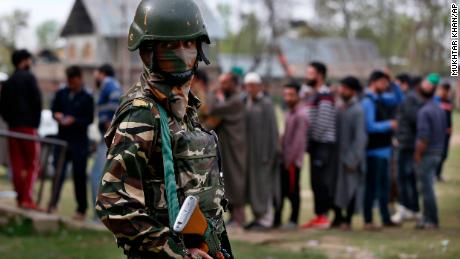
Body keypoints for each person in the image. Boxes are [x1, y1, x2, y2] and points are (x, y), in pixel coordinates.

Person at [95, 1, 232, 258]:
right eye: (169, 45)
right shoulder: (143, 114)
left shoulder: (184, 108)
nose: (181, 53)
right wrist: (172, 249)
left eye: (188, 44)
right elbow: (113, 202)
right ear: (148, 51)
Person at [50, 66, 94, 221]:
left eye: (74, 82)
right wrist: (57, 116)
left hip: (79, 142)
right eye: (69, 82)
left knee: (79, 176)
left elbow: (89, 119)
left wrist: (74, 120)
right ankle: (52, 204)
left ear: (80, 79)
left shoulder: (87, 97)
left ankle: (81, 209)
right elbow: (53, 109)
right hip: (62, 139)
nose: (71, 85)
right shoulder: (61, 93)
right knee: (58, 173)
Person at [0, 49, 42, 210]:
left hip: (13, 127)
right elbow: (37, 101)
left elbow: (2, 105)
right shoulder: (29, 78)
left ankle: (19, 197)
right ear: (24, 61)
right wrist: (35, 124)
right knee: (32, 163)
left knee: (16, 163)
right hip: (28, 128)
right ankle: (27, 198)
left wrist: (10, 120)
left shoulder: (9, 81)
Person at [361, 71, 403, 230]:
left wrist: (392, 81)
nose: (386, 87)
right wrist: (388, 124)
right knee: (372, 186)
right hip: (373, 151)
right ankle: (368, 220)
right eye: (383, 83)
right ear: (374, 82)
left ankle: (386, 218)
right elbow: (369, 126)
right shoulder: (368, 101)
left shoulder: (381, 99)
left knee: (384, 186)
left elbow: (399, 99)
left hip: (385, 149)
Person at [206, 72, 247, 228]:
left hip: (236, 147)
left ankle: (239, 218)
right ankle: (233, 217)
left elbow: (212, 109)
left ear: (233, 84)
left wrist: (215, 93)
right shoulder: (231, 100)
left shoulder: (236, 101)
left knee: (236, 180)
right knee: (227, 181)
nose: (221, 86)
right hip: (228, 146)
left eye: (224, 83)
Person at [302, 62, 337, 229]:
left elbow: (322, 123)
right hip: (314, 143)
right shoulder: (312, 94)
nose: (307, 76)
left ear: (320, 75)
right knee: (315, 181)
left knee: (321, 180)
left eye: (310, 73)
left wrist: (312, 140)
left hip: (322, 143)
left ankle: (324, 216)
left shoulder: (325, 94)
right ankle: (319, 215)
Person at [243, 72, 279, 231]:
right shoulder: (247, 102)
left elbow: (273, 130)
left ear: (259, 86)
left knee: (264, 186)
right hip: (251, 154)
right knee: (254, 186)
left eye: (252, 86)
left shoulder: (266, 103)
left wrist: (270, 154)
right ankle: (257, 217)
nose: (249, 89)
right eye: (247, 86)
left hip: (264, 154)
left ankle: (266, 220)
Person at [333, 76, 367, 231]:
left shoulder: (358, 110)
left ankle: (348, 220)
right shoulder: (339, 107)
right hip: (337, 157)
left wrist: (352, 160)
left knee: (351, 188)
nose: (341, 91)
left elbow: (360, 138)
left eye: (345, 88)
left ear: (352, 91)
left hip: (351, 158)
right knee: (338, 189)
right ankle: (338, 218)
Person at [414, 73, 447, 229]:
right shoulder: (439, 109)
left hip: (428, 153)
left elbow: (423, 137)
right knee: (428, 186)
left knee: (426, 188)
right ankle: (426, 218)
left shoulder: (424, 111)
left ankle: (431, 220)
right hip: (438, 151)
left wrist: (418, 154)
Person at [274, 81, 308, 229]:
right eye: (286, 94)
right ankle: (278, 219)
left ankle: (293, 220)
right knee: (281, 191)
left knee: (293, 191)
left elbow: (298, 143)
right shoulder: (289, 113)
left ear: (298, 96)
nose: (288, 98)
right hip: (284, 160)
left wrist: (289, 162)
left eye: (291, 95)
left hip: (292, 162)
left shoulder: (301, 115)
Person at [90, 64, 122, 221]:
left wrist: (108, 124)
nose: (94, 76)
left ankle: (101, 217)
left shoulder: (109, 85)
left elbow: (115, 106)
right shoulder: (109, 85)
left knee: (97, 176)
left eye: (96, 72)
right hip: (109, 138)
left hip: (110, 139)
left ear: (101, 73)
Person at [393, 75, 423, 224]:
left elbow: (413, 120)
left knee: (404, 177)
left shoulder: (409, 99)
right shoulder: (411, 97)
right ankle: (413, 208)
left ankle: (407, 208)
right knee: (408, 177)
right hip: (408, 142)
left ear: (404, 84)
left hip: (407, 144)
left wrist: (402, 136)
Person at [434, 82, 453, 182]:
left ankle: (438, 174)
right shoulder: (436, 101)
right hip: (438, 132)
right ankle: (434, 174)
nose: (445, 92)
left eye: (447, 90)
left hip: (447, 132)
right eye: (443, 90)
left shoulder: (449, 102)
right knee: (437, 153)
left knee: (444, 154)